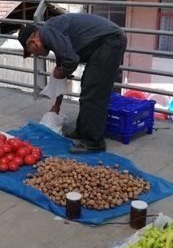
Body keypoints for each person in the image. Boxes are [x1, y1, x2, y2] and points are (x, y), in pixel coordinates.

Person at [18, 13, 127, 154]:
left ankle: (94, 142)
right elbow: (61, 76)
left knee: (93, 93)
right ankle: (82, 131)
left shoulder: (47, 32)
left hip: (111, 42)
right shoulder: (52, 36)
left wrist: (62, 71)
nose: (36, 55)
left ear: (31, 42)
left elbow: (71, 60)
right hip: (106, 43)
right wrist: (56, 106)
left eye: (32, 53)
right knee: (88, 87)